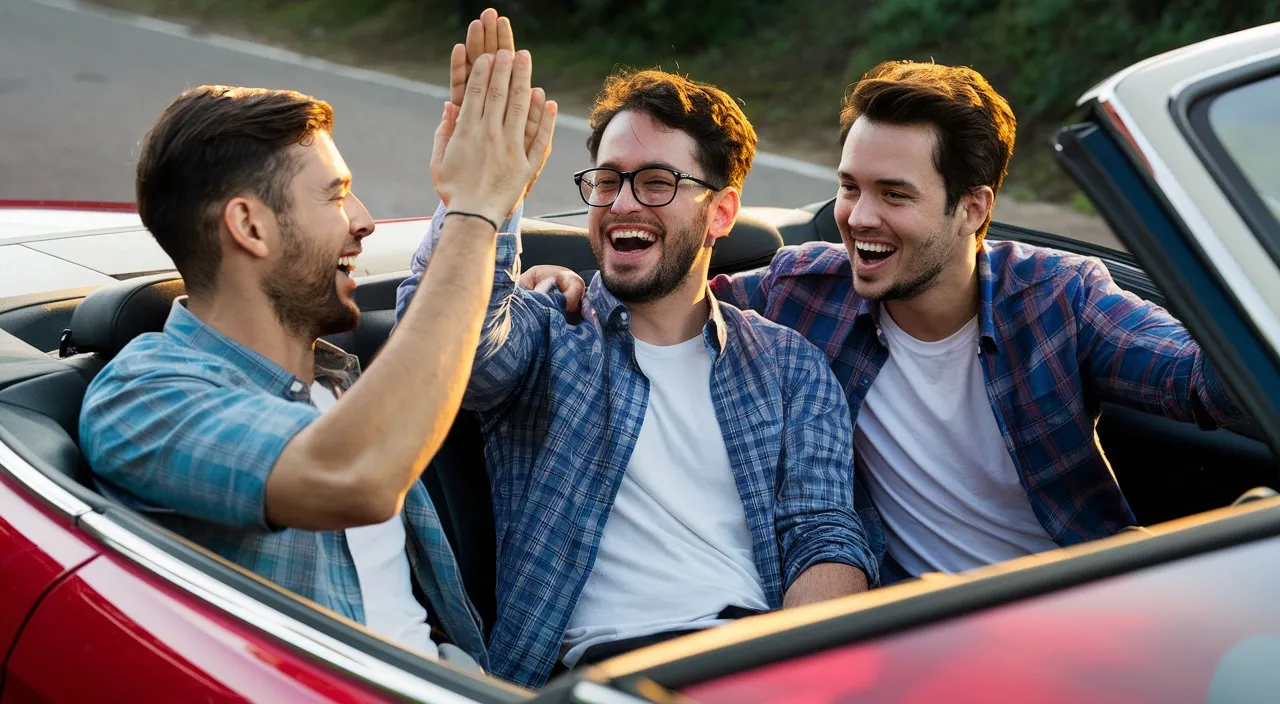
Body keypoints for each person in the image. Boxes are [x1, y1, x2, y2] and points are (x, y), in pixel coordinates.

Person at [522, 59, 1249, 586]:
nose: (859, 219)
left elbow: (1205, 378)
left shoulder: (1058, 297)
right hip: (909, 633)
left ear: (972, 208)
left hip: (1082, 610)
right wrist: (573, 285)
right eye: (849, 187)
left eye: (893, 194)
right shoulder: (805, 291)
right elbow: (676, 294)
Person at [395, 11, 876, 688]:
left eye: (656, 183)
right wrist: (485, 201)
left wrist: (804, 679)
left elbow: (822, 534)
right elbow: (437, 352)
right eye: (607, 179)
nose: (623, 203)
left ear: (721, 212)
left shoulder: (789, 367)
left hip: (753, 662)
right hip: (602, 679)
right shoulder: (545, 332)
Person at [78, 48, 556, 670]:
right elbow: (357, 472)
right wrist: (472, 211)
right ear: (249, 226)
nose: (364, 223)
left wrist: (496, 200)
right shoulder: (143, 396)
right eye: (337, 197)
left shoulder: (336, 378)